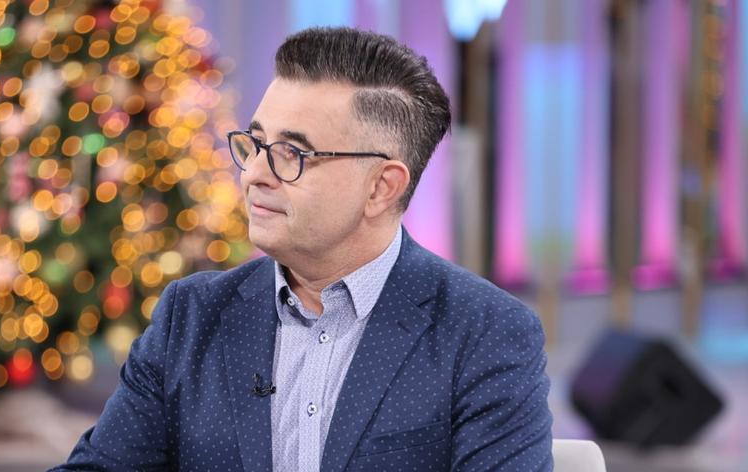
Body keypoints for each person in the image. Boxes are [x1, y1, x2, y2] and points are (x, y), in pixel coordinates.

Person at [51, 26, 552, 472]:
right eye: (255, 144)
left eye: (291, 154)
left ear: (381, 187)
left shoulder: (486, 332)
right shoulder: (192, 316)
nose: (254, 174)